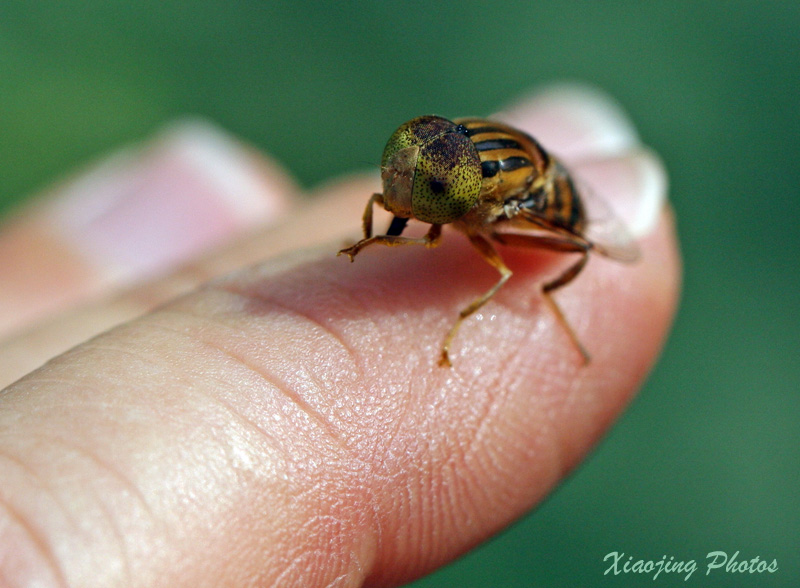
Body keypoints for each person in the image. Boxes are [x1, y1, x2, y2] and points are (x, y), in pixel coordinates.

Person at [0, 85, 679, 586]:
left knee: (558, 258)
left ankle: (547, 307)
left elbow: (535, 253)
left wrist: (459, 325)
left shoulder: (492, 200)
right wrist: (372, 238)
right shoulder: (438, 168)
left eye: (423, 183)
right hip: (494, 167)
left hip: (543, 196)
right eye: (403, 161)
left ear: (465, 189)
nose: (400, 184)